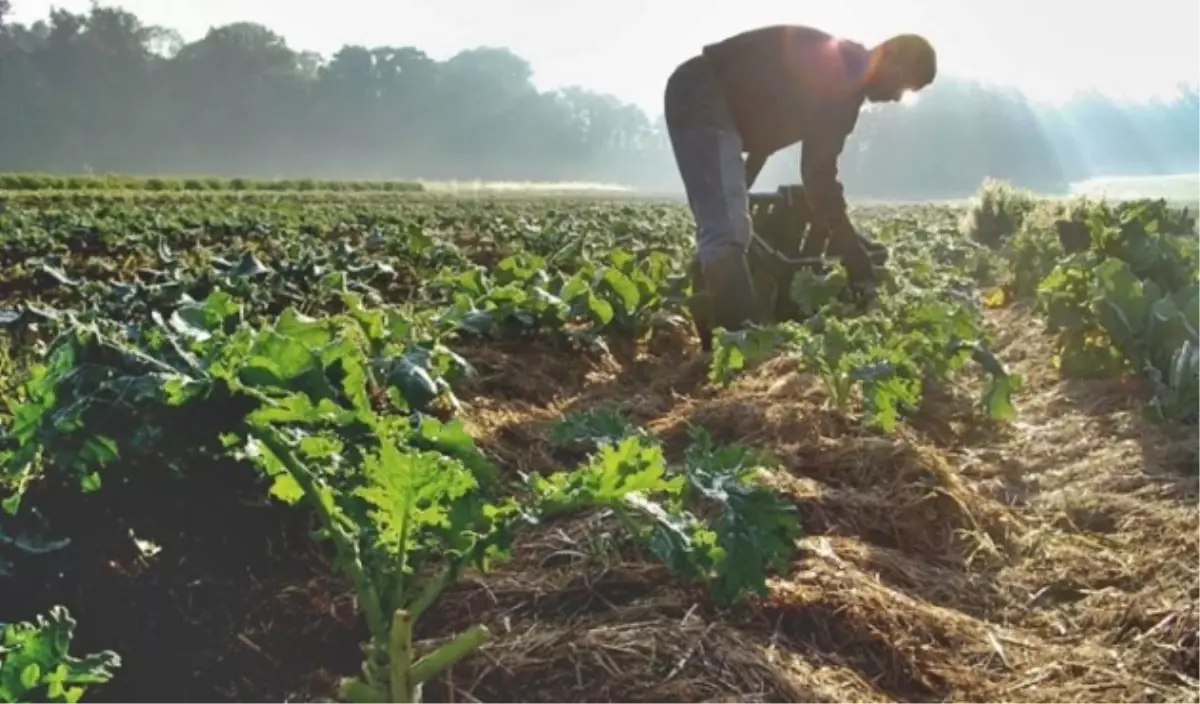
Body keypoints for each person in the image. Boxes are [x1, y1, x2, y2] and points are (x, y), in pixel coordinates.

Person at [664, 25, 937, 334]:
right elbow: (818, 174)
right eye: (904, 85)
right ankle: (739, 348)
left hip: (709, 94)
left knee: (726, 223)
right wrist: (852, 254)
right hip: (703, 90)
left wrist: (742, 183)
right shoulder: (845, 73)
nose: (898, 98)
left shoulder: (846, 72)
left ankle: (721, 324)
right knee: (727, 228)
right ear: (892, 56)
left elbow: (766, 134)